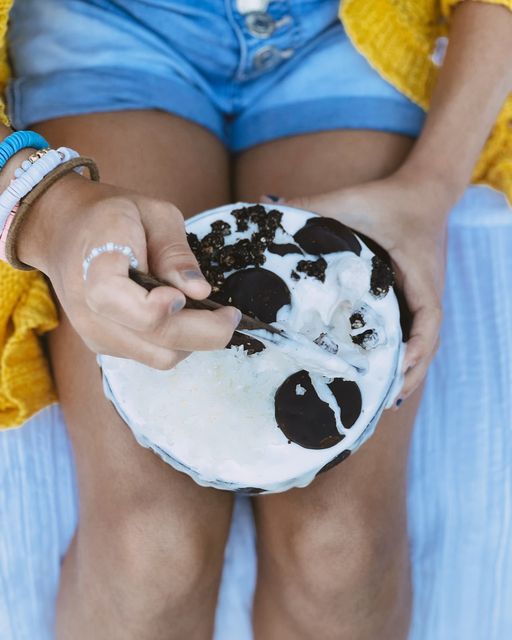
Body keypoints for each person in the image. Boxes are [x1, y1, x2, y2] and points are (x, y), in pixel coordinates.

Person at [0, 0, 511, 638]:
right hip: (103, 27)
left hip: (351, 41)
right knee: (151, 550)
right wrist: (40, 203)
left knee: (341, 550)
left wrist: (431, 187)